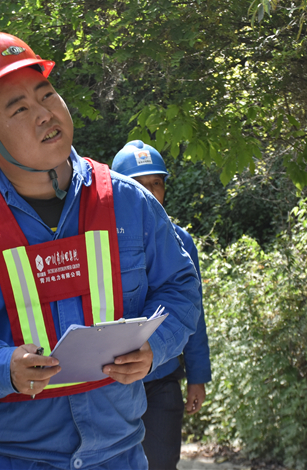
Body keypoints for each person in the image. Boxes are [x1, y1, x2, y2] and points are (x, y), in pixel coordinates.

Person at [0, 25, 201, 470]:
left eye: (47, 95)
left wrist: (157, 346)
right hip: (0, 459)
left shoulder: (127, 203)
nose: (44, 114)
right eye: (19, 109)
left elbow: (180, 287)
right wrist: (0, 365)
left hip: (117, 454)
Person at [112, 140, 212, 470]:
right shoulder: (99, 241)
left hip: (163, 375)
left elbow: (192, 313)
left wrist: (197, 376)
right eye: (139, 185)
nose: (150, 193)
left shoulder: (181, 241)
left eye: (156, 183)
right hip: (112, 379)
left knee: (161, 461)